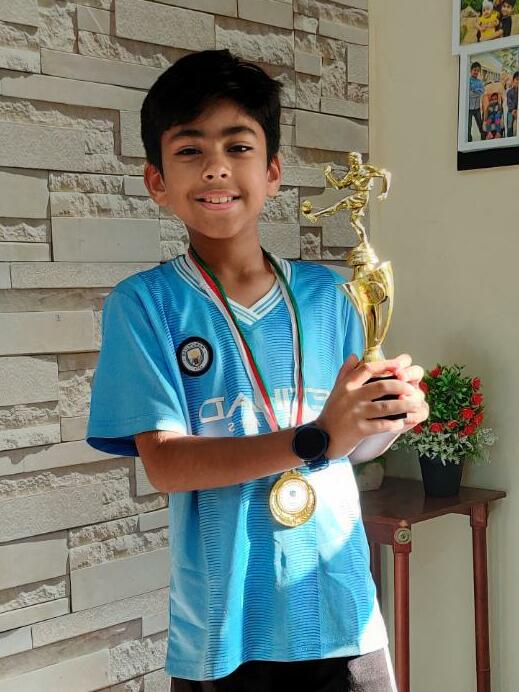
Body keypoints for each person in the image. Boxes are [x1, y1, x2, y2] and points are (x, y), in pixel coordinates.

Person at [86, 49, 428, 692]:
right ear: (157, 181)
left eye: (238, 146)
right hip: (225, 630)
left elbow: (351, 449)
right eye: (190, 150)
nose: (216, 166)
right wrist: (315, 438)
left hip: (343, 616)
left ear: (272, 172)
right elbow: (167, 465)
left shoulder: (332, 296)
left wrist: (388, 416)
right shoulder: (146, 305)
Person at [468, 62, 485, 142]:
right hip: (469, 109)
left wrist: (474, 90)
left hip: (477, 108)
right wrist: (477, 91)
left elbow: (482, 91)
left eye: (478, 71)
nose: (476, 72)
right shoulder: (468, 81)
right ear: (471, 70)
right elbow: (469, 94)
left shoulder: (479, 81)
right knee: (468, 126)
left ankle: (484, 140)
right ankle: (469, 141)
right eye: (475, 70)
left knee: (481, 125)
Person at [507, 70, 519, 136]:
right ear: (513, 80)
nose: (518, 81)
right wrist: (513, 110)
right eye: (517, 79)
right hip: (511, 112)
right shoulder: (509, 91)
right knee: (509, 126)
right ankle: (509, 137)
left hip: (517, 111)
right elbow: (509, 102)